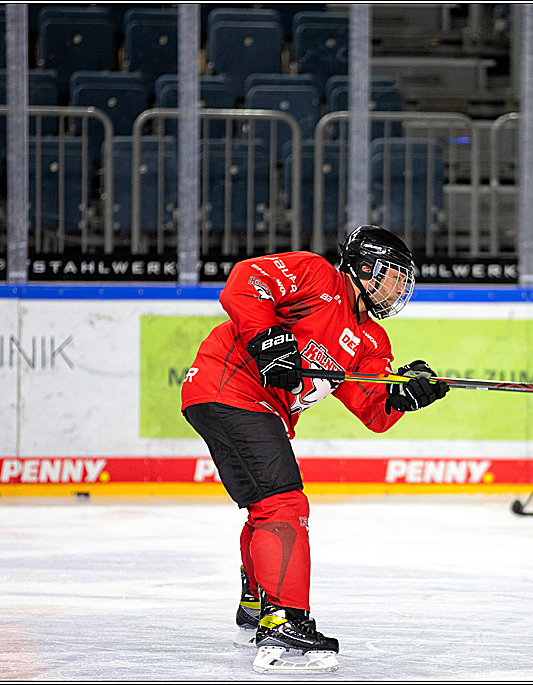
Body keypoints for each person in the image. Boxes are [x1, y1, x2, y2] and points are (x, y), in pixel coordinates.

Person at [180, 226, 449, 673]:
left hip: (239, 402)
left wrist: (407, 395)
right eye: (394, 276)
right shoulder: (317, 277)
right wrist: (267, 339)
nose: (400, 289)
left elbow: (374, 411)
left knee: (265, 505)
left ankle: (258, 602)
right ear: (365, 268)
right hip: (230, 385)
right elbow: (247, 280)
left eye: (405, 282)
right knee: (284, 503)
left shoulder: (371, 341)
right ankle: (284, 618)